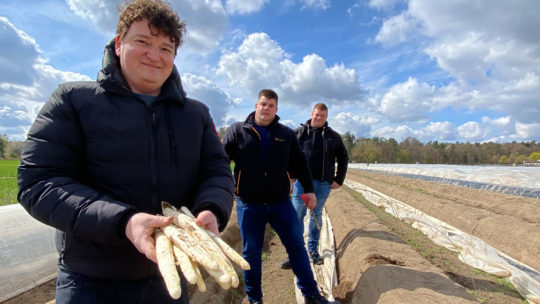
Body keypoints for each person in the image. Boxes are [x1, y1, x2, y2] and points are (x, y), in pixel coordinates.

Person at [17, 1, 234, 303]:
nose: (154, 55)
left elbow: (217, 171)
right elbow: (39, 184)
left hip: (170, 277)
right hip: (90, 281)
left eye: (165, 48)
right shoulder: (72, 100)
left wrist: (212, 208)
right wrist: (125, 222)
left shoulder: (196, 114)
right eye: (142, 42)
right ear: (119, 44)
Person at [222, 89, 339, 304]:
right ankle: (255, 298)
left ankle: (311, 294)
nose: (266, 108)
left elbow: (300, 163)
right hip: (249, 204)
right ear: (256, 106)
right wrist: (226, 187)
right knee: (251, 253)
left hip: (280, 202)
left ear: (276, 109)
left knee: (296, 246)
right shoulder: (237, 131)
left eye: (271, 105)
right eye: (263, 104)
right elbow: (220, 161)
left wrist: (310, 190)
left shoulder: (286, 134)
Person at [282, 103, 348, 269]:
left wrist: (338, 179)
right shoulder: (299, 134)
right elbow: (288, 155)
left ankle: (313, 251)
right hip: (301, 185)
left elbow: (343, 158)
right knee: (296, 217)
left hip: (323, 184)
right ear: (312, 114)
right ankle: (295, 253)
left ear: (326, 118)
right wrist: (290, 176)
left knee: (316, 217)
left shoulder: (333, 137)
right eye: (317, 115)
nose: (319, 118)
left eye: (323, 116)